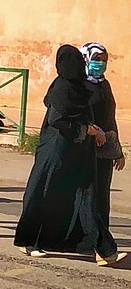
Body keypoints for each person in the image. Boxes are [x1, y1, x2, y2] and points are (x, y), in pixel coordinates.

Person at [15, 45, 125, 265]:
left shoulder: (81, 87)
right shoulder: (62, 88)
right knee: (42, 193)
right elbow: (58, 120)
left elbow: (89, 115)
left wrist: (93, 132)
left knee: (88, 198)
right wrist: (86, 129)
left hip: (79, 152)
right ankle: (30, 242)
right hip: (55, 151)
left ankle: (104, 250)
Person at [60, 43, 126, 261]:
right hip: (85, 148)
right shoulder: (79, 86)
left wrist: (117, 150)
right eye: (97, 58)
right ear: (86, 59)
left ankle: (94, 242)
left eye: (105, 59)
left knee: (101, 198)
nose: (101, 63)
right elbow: (73, 116)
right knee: (88, 198)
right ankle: (99, 246)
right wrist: (90, 131)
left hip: (104, 151)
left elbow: (110, 116)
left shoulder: (103, 85)